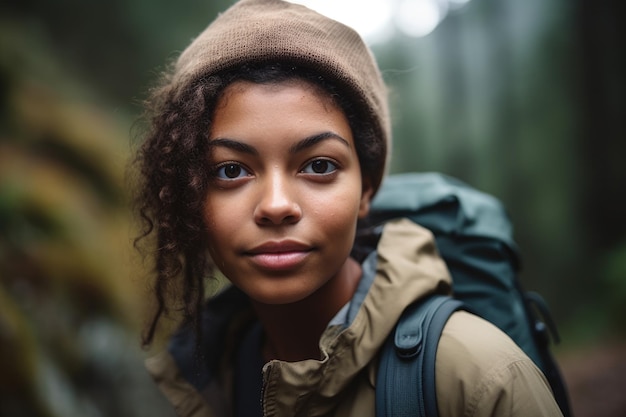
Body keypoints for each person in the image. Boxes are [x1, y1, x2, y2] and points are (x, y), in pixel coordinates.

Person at [133, 0, 564, 416]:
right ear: (189, 196)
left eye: (319, 165)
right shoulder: (195, 386)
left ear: (366, 190)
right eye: (230, 172)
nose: (277, 205)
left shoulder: (477, 379)